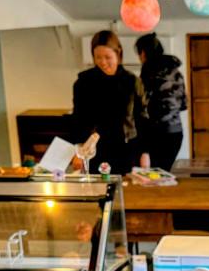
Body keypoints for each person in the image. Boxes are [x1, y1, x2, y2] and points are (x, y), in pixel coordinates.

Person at [71, 30, 145, 175]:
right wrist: (78, 150)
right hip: (95, 149)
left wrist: (145, 152)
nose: (103, 62)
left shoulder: (131, 81)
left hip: (126, 147)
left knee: (126, 191)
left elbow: (142, 118)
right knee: (97, 190)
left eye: (107, 57)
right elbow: (78, 119)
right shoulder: (84, 83)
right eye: (98, 57)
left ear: (118, 54)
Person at [135, 33, 187, 171]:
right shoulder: (176, 72)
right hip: (176, 132)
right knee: (164, 173)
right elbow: (183, 104)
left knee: (151, 176)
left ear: (143, 52)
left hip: (156, 134)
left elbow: (143, 108)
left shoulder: (148, 71)